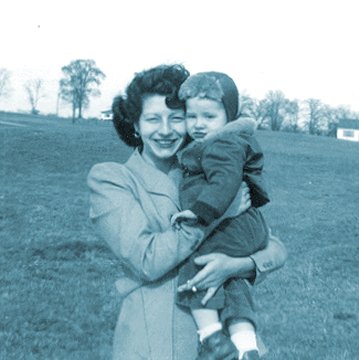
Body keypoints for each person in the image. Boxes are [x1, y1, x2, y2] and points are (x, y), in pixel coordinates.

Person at [87, 64, 287, 360]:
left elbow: (276, 248)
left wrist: (237, 266)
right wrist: (217, 214)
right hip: (156, 341)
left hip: (231, 341)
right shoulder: (111, 178)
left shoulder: (208, 171)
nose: (166, 131)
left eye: (177, 119)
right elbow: (147, 260)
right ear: (136, 125)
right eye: (153, 119)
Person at [171, 72, 270, 360]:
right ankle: (246, 345)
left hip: (232, 224)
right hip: (247, 227)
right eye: (192, 116)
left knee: (197, 268)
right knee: (232, 280)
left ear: (228, 116)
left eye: (209, 116)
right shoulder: (230, 140)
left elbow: (224, 181)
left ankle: (212, 338)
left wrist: (199, 212)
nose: (198, 124)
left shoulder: (222, 143)